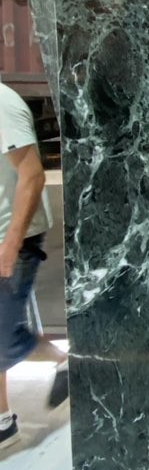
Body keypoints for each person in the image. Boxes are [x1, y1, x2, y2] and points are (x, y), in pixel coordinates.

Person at [0, 81, 67, 450]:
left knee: (3, 336)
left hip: (13, 240)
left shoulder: (2, 104)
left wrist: (10, 245)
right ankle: (2, 419)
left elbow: (33, 175)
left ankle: (63, 361)